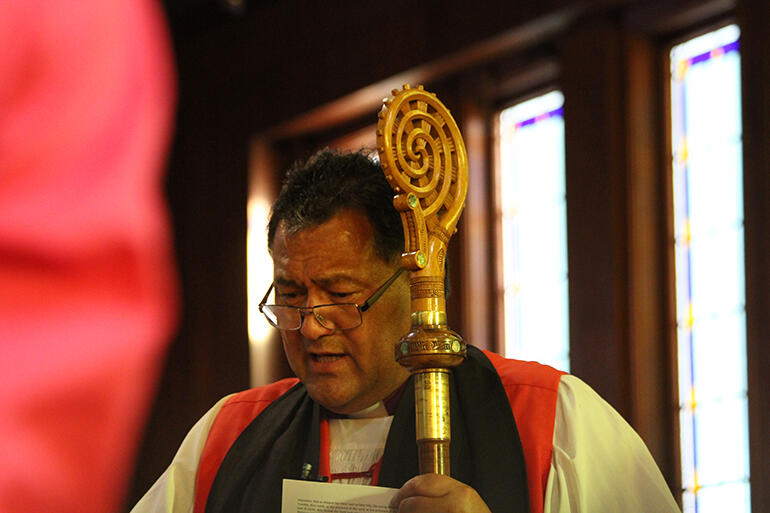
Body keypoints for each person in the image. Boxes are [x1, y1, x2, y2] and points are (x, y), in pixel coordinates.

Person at [132, 149, 680, 513]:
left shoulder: (549, 420)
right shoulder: (224, 440)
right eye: (292, 298)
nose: (312, 326)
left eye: (341, 296)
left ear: (412, 281)